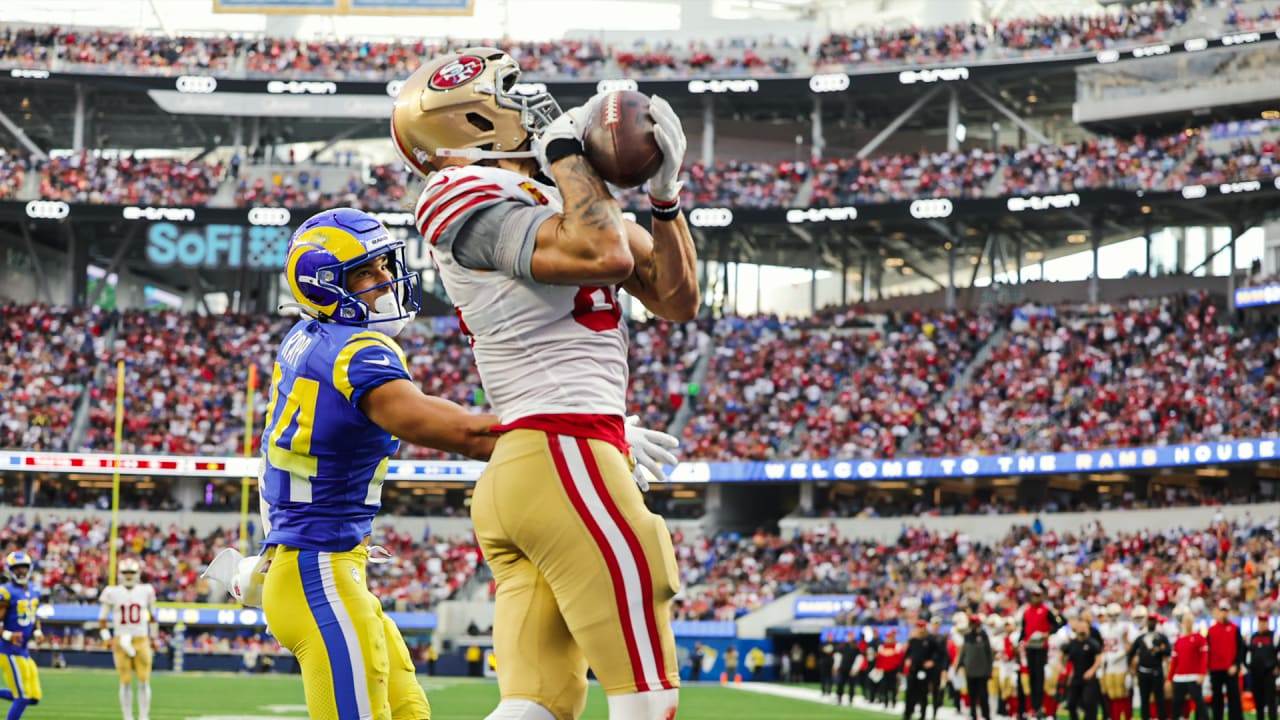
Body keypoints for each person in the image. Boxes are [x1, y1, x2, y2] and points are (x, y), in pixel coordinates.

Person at [392, 46, 698, 720]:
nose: (532, 100)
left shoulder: (554, 195)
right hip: (563, 448)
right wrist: (566, 154)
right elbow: (604, 253)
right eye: (511, 91)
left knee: (539, 704)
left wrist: (666, 200)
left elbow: (676, 300)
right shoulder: (460, 192)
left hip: (545, 459)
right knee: (649, 692)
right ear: (472, 117)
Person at [233, 206, 502, 720]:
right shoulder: (353, 350)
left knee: (411, 712)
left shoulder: (309, 337)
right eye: (366, 272)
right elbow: (449, 429)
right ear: (324, 286)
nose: (385, 280)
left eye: (384, 266)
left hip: (325, 567)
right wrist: (575, 435)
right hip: (318, 573)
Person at [98, 557, 159, 720]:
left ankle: (144, 717)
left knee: (144, 680)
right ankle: (127, 717)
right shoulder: (112, 592)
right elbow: (102, 619)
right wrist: (106, 637)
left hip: (141, 638)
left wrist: (154, 638)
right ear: (120, 573)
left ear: (137, 574)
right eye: (126, 572)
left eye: (132, 572)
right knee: (124, 681)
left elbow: (153, 617)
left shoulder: (146, 590)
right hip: (121, 639)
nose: (129, 576)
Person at [0, 552, 41, 719]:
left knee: (33, 698)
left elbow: (34, 614)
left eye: (23, 568)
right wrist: (8, 635)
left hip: (23, 649)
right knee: (22, 697)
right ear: (10, 571)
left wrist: (38, 631)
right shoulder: (6, 592)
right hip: (8, 650)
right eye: (16, 569)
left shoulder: (34, 589)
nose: (21, 572)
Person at [1022, 586, 1063, 720]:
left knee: (1040, 678)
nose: (1036, 598)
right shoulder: (1027, 612)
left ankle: (1041, 708)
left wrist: (1047, 634)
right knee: (1032, 678)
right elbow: (1024, 629)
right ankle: (1034, 708)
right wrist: (1020, 642)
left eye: (1038, 595)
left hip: (1042, 647)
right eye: (1034, 595)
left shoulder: (1046, 611)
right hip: (1030, 648)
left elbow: (1059, 624)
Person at [1128, 607, 1170, 720]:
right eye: (1149, 620)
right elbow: (1131, 653)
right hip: (1143, 672)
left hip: (1157, 671)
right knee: (1144, 699)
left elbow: (1169, 651)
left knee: (1159, 699)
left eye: (1153, 620)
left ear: (1156, 622)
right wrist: (1131, 669)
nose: (1151, 622)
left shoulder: (1161, 637)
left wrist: (1159, 650)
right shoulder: (1141, 637)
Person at [1206, 600, 1244, 720]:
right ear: (1218, 612)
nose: (1224, 614)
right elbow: (1208, 650)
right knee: (1217, 698)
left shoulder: (1234, 628)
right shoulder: (1211, 630)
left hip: (1230, 668)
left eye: (1226, 611)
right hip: (1215, 669)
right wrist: (1207, 667)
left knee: (1234, 698)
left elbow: (1241, 649)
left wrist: (1236, 664)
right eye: (1222, 611)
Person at [1168, 611, 1209, 720]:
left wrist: (1202, 673)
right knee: (1176, 705)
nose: (1188, 623)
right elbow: (1174, 661)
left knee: (1199, 703)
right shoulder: (1179, 641)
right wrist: (1169, 678)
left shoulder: (1199, 638)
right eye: (1186, 621)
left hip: (1194, 677)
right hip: (1179, 678)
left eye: (1190, 621)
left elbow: (1204, 657)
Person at [1099, 603, 1136, 720]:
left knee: (1122, 694)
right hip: (1108, 665)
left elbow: (1131, 646)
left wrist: (1120, 655)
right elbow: (1101, 647)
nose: (1113, 618)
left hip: (1121, 665)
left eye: (1115, 615)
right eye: (1111, 615)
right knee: (1110, 694)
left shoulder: (1125, 627)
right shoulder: (1103, 628)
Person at [1064, 616, 1103, 720]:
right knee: (1071, 703)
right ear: (1076, 629)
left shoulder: (1093, 643)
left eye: (1084, 628)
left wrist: (1092, 671)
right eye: (1080, 627)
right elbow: (1063, 656)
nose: (1082, 630)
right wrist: (1063, 669)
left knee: (1089, 703)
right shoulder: (1072, 644)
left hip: (1089, 679)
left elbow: (1098, 659)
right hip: (1076, 677)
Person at [957, 615, 994, 720]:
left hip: (982, 672)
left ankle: (986, 715)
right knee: (971, 695)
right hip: (970, 671)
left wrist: (989, 670)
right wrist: (960, 664)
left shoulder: (983, 636)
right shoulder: (967, 636)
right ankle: (973, 714)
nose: (974, 626)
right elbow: (964, 652)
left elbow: (989, 655)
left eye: (975, 623)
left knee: (983, 695)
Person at [1247, 614, 1278, 720]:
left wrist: (1277, 667)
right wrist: (1248, 666)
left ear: (1268, 623)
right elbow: (1248, 653)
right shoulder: (1253, 637)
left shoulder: (1274, 636)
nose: (1262, 624)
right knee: (1258, 700)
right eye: (1261, 621)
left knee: (1271, 700)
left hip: (1269, 672)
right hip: (1256, 672)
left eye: (1264, 621)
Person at [904, 620, 936, 720]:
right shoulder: (913, 640)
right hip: (913, 671)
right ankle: (907, 714)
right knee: (910, 694)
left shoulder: (930, 641)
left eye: (922, 628)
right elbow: (907, 654)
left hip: (924, 671)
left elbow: (936, 654)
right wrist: (908, 660)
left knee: (923, 694)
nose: (920, 630)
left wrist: (932, 661)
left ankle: (922, 715)